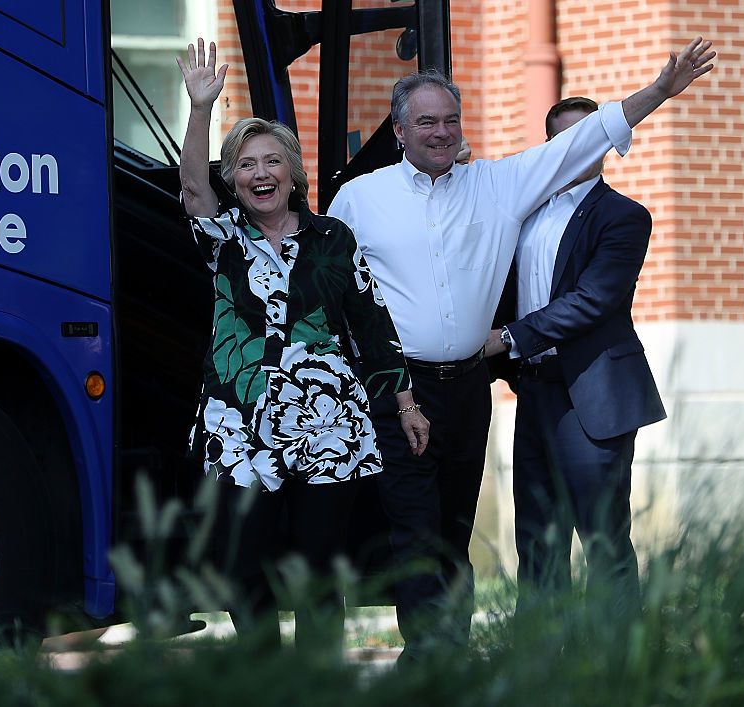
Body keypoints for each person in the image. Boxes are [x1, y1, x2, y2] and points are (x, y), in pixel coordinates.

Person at [328, 37, 714, 663]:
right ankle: (431, 657)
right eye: (426, 121)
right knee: (416, 528)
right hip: (399, 390)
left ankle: (490, 656)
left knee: (458, 527)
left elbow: (584, 144)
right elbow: (340, 291)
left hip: (472, 391)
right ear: (398, 130)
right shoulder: (359, 198)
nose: (442, 131)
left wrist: (659, 92)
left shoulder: (500, 185)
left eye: (452, 119)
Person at [176, 38, 430, 652]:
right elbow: (189, 190)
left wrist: (404, 402)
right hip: (240, 422)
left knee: (320, 572)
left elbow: (371, 322)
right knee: (243, 567)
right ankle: (267, 678)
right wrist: (202, 109)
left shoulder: (332, 239)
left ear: (293, 172)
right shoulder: (224, 240)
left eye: (272, 161)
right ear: (233, 179)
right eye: (246, 164)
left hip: (326, 420)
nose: (260, 173)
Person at [484, 97, 666, 615]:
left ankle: (618, 667)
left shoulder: (624, 216)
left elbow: (594, 299)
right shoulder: (521, 213)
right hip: (534, 389)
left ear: (606, 143)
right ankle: (539, 668)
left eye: (589, 136)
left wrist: (510, 337)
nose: (578, 149)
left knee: (603, 539)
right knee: (537, 541)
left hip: (592, 393)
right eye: (566, 140)